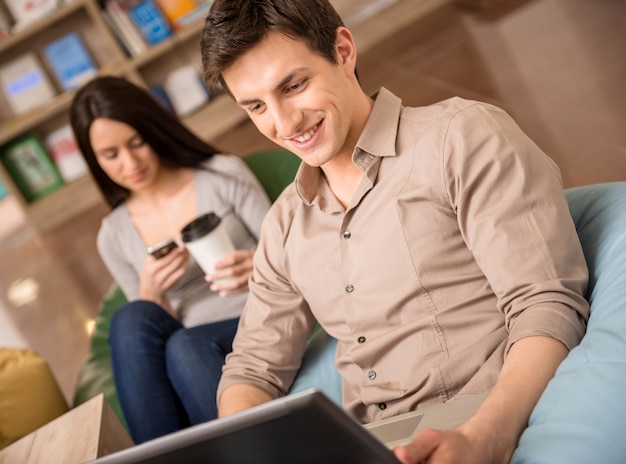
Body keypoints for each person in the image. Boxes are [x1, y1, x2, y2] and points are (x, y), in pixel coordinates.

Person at [199, 0, 592, 462]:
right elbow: (252, 370)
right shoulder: (284, 225)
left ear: (343, 51)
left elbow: (545, 304)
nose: (283, 124)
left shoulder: (460, 139)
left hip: (478, 420)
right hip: (370, 446)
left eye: (295, 86)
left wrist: (487, 437)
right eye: (257, 106)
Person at [69, 76, 271, 444]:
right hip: (187, 337)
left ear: (153, 129)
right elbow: (145, 342)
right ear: (95, 161)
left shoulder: (221, 174)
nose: (130, 163)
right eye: (111, 155)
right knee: (136, 316)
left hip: (256, 316)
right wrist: (151, 293)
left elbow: (291, 251)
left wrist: (259, 262)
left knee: (185, 348)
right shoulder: (113, 234)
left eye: (137, 143)